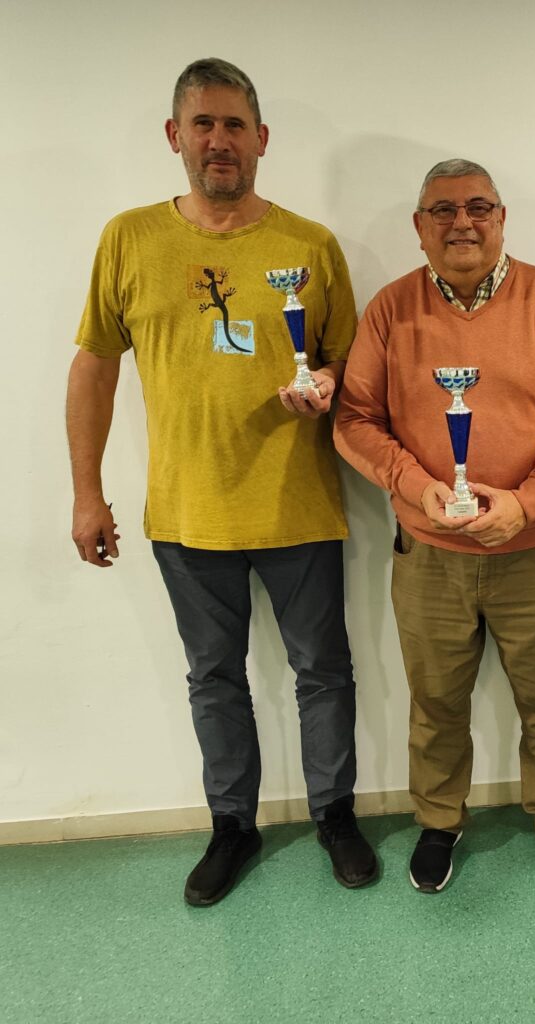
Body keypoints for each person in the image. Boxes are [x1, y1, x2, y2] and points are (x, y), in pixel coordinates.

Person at [65, 58, 376, 906]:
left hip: (298, 505)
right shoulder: (128, 239)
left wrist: (325, 384)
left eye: (235, 124)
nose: (219, 139)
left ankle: (335, 815)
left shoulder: (309, 246)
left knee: (324, 670)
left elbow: (351, 360)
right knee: (214, 678)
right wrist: (87, 492)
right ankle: (233, 825)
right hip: (187, 513)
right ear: (175, 136)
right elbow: (94, 366)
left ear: (261, 139)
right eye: (202, 123)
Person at [335, 159, 535, 893]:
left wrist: (530, 500)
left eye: (479, 207)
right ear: (419, 226)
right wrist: (417, 488)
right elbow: (354, 419)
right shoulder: (391, 310)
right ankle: (438, 820)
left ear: (502, 218)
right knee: (435, 704)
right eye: (444, 209)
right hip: (429, 555)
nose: (463, 222)